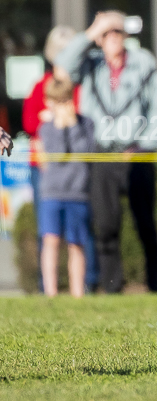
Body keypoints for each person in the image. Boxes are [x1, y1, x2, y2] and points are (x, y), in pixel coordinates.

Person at [56, 11, 157, 293]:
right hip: (102, 154)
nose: (112, 37)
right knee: (105, 225)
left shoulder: (144, 63)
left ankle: (156, 286)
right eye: (106, 34)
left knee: (145, 224)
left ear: (125, 36)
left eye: (117, 31)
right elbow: (62, 67)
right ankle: (112, 287)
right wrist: (91, 32)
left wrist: (143, 146)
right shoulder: (91, 65)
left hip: (136, 154)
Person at [23, 25, 99, 292]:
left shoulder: (77, 89)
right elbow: (30, 122)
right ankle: (49, 289)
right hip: (49, 178)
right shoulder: (40, 87)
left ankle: (85, 285)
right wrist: (52, 123)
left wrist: (67, 122)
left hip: (77, 183)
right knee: (49, 237)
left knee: (79, 238)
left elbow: (85, 139)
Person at [38, 78, 94, 297]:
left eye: (66, 100)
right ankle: (50, 291)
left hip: (78, 192)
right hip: (52, 192)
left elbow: (85, 153)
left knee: (76, 244)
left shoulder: (86, 124)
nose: (62, 106)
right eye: (57, 101)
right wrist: (61, 128)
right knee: (50, 241)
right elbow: (58, 155)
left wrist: (73, 127)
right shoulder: (47, 128)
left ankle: (77, 293)